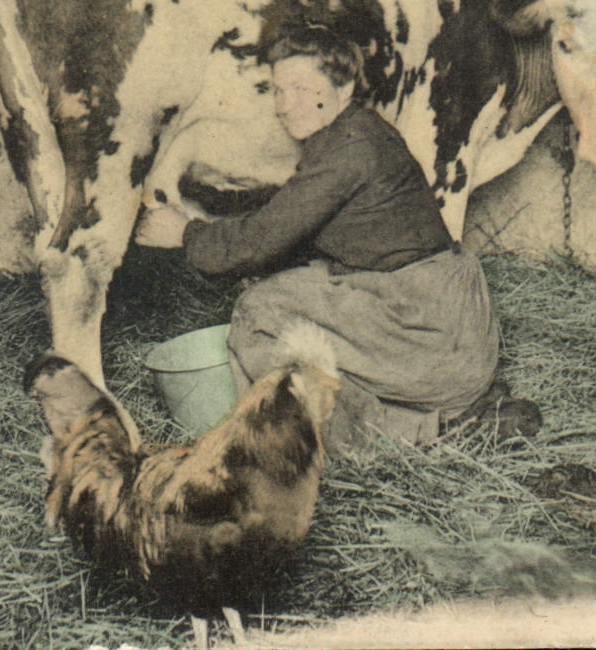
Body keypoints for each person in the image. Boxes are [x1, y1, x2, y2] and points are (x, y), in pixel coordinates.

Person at [134, 24, 541, 452]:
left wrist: (185, 233)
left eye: (299, 88)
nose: (284, 105)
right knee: (286, 291)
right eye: (278, 90)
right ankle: (440, 415)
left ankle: (411, 435)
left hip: (432, 331)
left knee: (259, 313)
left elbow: (259, 241)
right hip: (439, 322)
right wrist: (218, 228)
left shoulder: (351, 147)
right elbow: (287, 223)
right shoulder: (350, 134)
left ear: (343, 87)